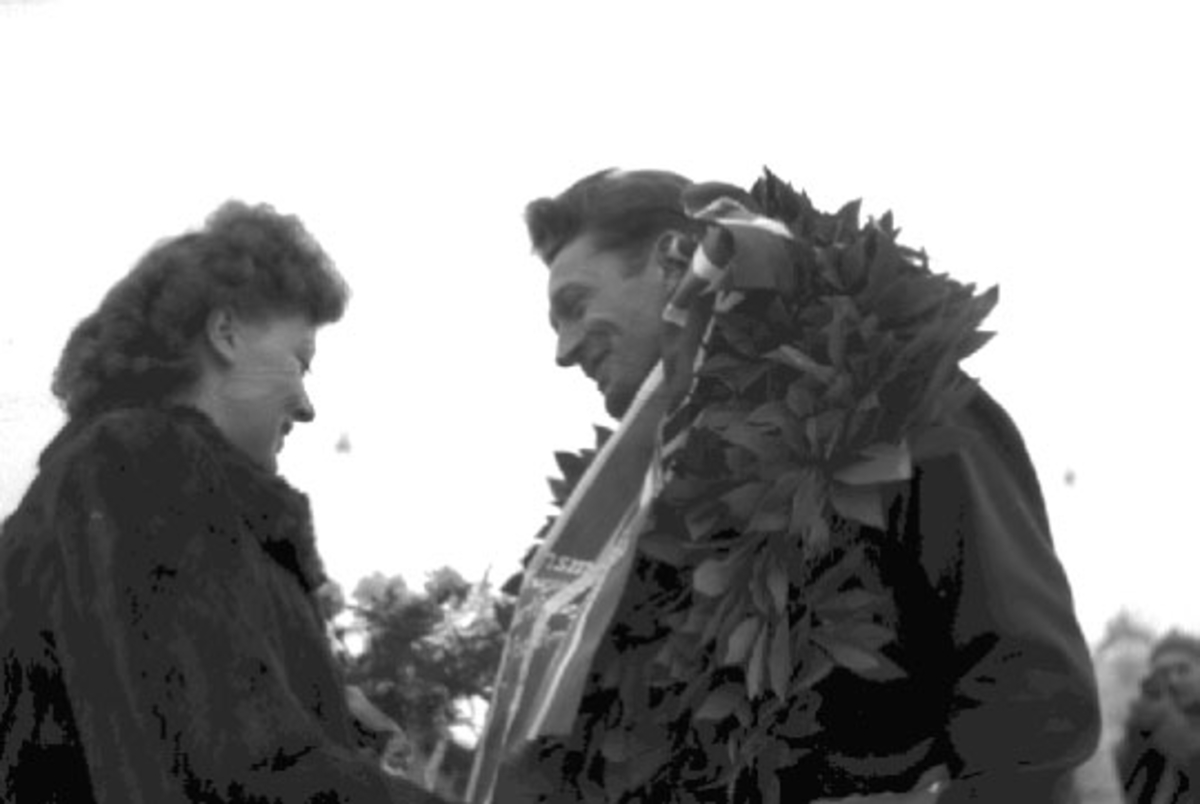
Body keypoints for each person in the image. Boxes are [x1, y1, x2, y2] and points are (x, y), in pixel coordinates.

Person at [496, 168, 1100, 804]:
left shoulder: (902, 409)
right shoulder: (635, 522)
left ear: (675, 261)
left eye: (574, 305)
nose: (563, 351)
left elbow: (1030, 707)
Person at [0, 202, 449, 803]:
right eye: (301, 361)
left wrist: (326, 719)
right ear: (226, 333)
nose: (308, 407)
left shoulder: (119, 478)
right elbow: (237, 774)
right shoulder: (144, 465)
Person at [1114, 631, 1200, 803]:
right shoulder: (1152, 720)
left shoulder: (1165, 722)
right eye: (1163, 673)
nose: (1173, 680)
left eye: (1183, 670)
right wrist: (1136, 737)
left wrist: (1169, 725)